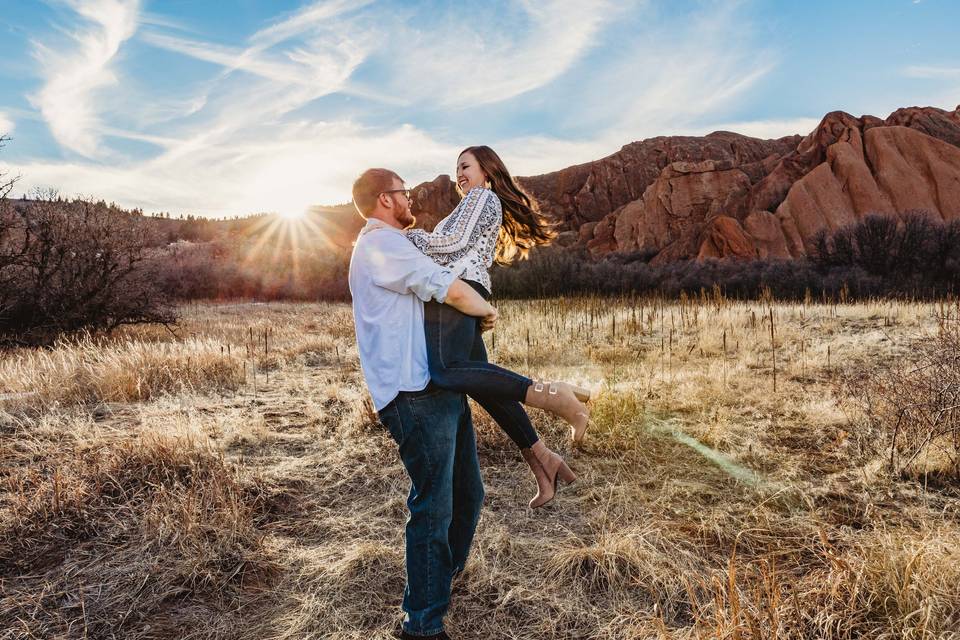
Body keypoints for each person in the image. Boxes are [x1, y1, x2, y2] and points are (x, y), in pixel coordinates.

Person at [349, 167, 493, 640]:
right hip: (414, 395)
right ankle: (421, 625)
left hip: (437, 387)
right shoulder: (379, 246)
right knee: (433, 507)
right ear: (384, 201)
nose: (409, 199)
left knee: (468, 494)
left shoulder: (397, 245)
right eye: (403, 193)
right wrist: (486, 308)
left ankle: (438, 584)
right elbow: (445, 286)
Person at [405, 145, 590, 509]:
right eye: (456, 167)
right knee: (487, 387)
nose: (459, 173)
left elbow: (452, 245)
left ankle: (556, 396)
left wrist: (409, 238)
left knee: (445, 370)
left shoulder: (481, 199)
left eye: (466, 166)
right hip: (462, 291)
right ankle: (543, 462)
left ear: (486, 171)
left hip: (457, 293)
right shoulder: (471, 204)